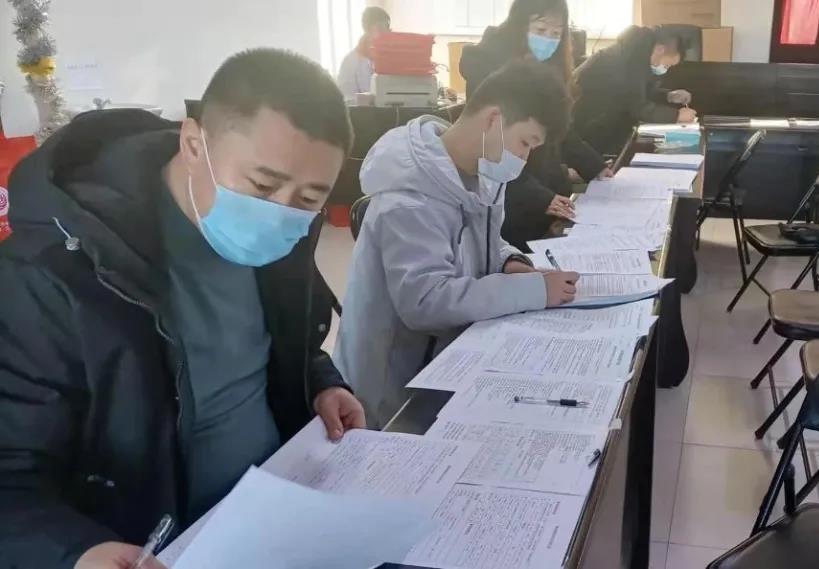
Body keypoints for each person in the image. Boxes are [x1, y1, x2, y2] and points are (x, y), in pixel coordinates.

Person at [0, 49, 366, 569]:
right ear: (194, 144)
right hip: (159, 548)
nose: (280, 212)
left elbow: (287, 341)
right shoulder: (57, 271)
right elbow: (11, 472)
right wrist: (77, 552)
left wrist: (321, 382)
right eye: (262, 185)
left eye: (309, 198)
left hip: (276, 511)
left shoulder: (281, 235)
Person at [333, 62, 580, 427]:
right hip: (392, 392)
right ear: (494, 119)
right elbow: (425, 301)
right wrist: (534, 291)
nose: (524, 158)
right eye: (525, 142)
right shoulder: (408, 198)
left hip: (448, 356)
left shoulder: (477, 173)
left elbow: (479, 241)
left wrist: (508, 261)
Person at [459, 0, 612, 250]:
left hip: (543, 191)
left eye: (556, 33)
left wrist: (594, 166)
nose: (548, 40)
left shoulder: (548, 68)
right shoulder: (490, 68)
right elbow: (493, 151)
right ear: (519, 24)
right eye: (541, 30)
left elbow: (560, 131)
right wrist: (539, 197)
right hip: (509, 199)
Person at [573, 25, 697, 155]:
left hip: (600, 125)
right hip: (585, 129)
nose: (665, 69)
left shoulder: (637, 53)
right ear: (660, 49)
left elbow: (639, 92)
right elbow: (635, 105)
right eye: (667, 65)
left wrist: (668, 96)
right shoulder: (627, 60)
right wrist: (676, 116)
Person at [337, 6, 392, 100]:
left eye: (388, 27)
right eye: (381, 27)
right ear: (368, 30)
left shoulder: (389, 58)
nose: (387, 32)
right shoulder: (350, 61)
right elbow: (347, 99)